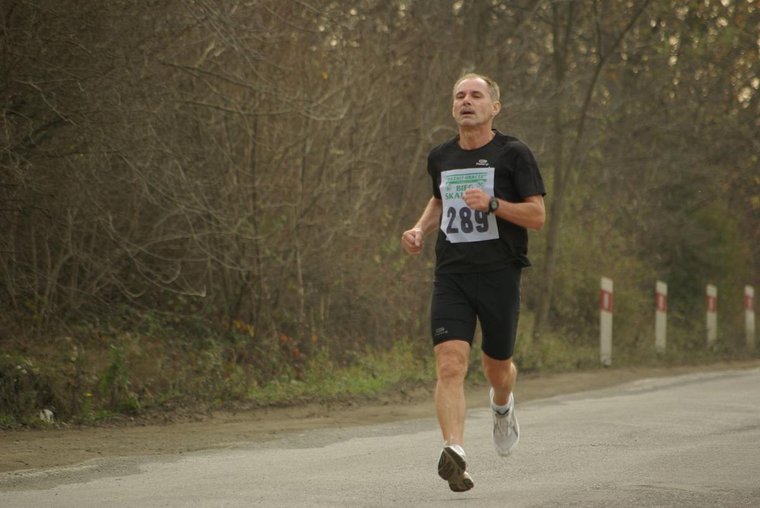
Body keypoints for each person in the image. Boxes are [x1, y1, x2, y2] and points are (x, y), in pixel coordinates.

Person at [401, 73, 546, 492]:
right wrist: (419, 230)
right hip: (452, 274)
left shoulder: (514, 153)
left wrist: (494, 204)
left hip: (500, 273)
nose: (467, 101)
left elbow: (537, 216)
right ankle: (456, 451)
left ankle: (502, 406)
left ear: (494, 108)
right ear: (453, 107)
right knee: (449, 364)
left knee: (497, 368)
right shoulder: (441, 156)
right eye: (460, 95)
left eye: (476, 95)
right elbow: (439, 198)